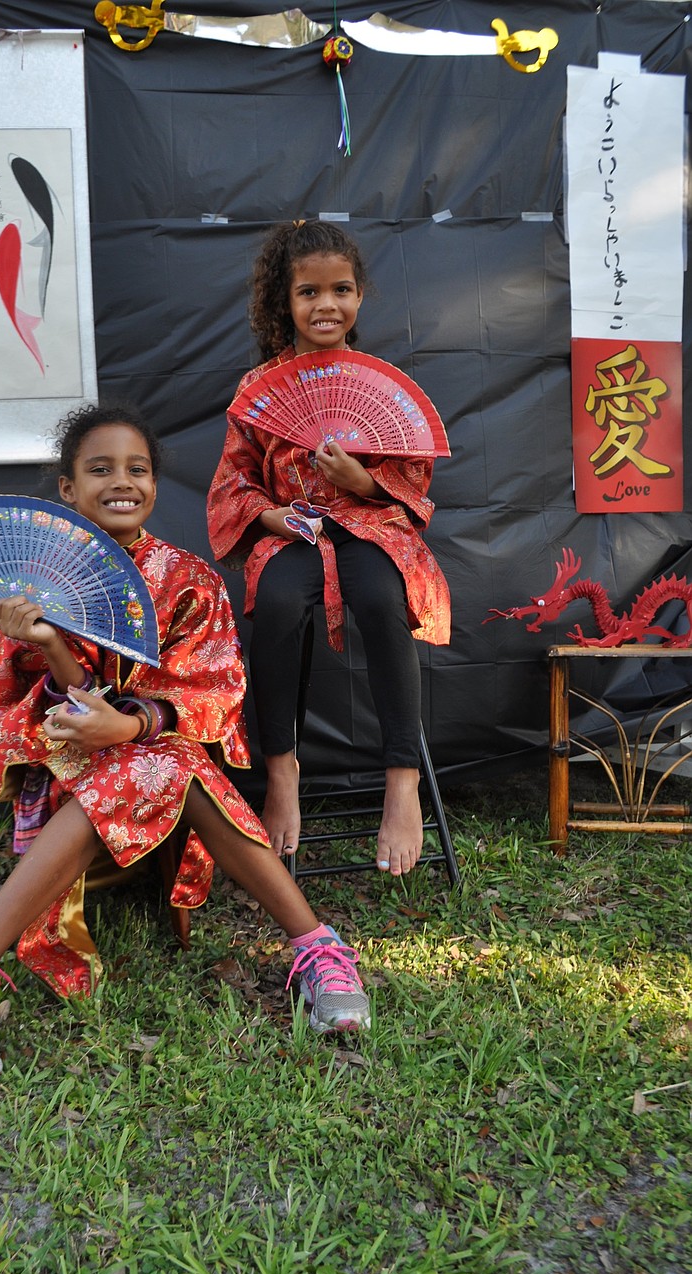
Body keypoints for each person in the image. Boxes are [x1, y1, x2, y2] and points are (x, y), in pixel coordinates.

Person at [0, 404, 371, 1080]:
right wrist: (44, 645)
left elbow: (214, 693)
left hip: (166, 789)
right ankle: (318, 946)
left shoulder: (190, 580)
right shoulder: (31, 585)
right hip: (66, 788)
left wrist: (127, 727)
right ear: (68, 489)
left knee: (165, 758)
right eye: (98, 469)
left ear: (155, 485)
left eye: (137, 468)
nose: (120, 481)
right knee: (153, 762)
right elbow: (11, 719)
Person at [207, 221, 450, 874]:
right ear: (284, 302)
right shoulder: (259, 387)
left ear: (361, 295)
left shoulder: (383, 384)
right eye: (308, 292)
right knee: (280, 602)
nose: (326, 305)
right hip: (297, 529)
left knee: (379, 595)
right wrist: (271, 514)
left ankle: (402, 780)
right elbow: (234, 479)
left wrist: (361, 481)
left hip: (371, 523)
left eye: (340, 289)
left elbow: (414, 477)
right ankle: (282, 771)